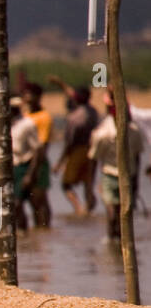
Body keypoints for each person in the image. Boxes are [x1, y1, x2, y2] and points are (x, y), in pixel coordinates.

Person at [89, 90, 145, 242]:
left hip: (128, 175)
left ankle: (121, 244)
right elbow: (94, 159)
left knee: (125, 213)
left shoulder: (134, 131)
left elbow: (137, 157)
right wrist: (91, 185)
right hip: (109, 175)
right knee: (112, 214)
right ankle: (111, 239)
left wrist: (136, 182)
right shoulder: (103, 134)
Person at [48, 76, 99, 215]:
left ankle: (79, 210)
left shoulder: (75, 118)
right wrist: (60, 83)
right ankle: (88, 210)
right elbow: (71, 93)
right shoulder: (93, 111)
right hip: (93, 150)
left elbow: (69, 143)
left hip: (79, 150)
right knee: (89, 183)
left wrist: (59, 163)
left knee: (66, 184)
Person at [22, 82, 52, 228]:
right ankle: (33, 234)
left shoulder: (44, 117)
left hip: (38, 161)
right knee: (26, 200)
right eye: (25, 94)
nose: (27, 98)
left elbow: (42, 145)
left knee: (40, 200)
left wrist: (35, 169)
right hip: (24, 161)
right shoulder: (25, 116)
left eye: (30, 94)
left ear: (38, 97)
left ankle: (44, 230)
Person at [10, 96, 43, 232]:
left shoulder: (27, 124)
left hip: (25, 165)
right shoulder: (6, 124)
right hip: (13, 167)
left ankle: (29, 231)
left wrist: (30, 174)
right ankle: (25, 232)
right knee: (18, 203)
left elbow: (37, 149)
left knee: (19, 202)